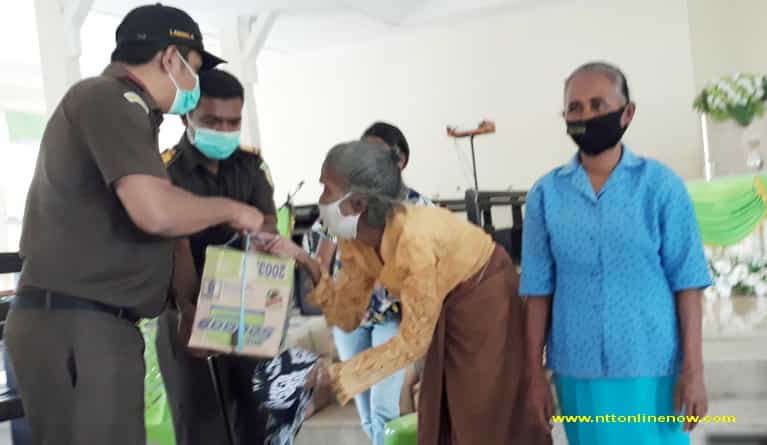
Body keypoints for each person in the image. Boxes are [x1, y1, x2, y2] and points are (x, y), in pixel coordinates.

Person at [4, 5, 266, 444]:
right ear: (170, 59)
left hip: (97, 322)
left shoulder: (134, 116)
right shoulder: (108, 99)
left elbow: (166, 232)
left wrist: (187, 308)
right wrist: (233, 211)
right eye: (194, 68)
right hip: (78, 321)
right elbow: (156, 212)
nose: (195, 85)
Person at [256, 140, 551, 445]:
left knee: (483, 410)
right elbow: (348, 314)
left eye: (326, 189)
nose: (320, 200)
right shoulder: (356, 238)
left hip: (484, 298)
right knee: (441, 410)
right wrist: (308, 263)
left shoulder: (413, 241)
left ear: (358, 203)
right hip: (441, 302)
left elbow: (412, 343)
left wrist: (329, 376)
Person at [521, 62, 711, 445]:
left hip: (651, 366)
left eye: (597, 105)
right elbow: (538, 291)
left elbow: (688, 282)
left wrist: (694, 370)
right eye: (575, 108)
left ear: (627, 113)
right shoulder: (546, 195)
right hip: (578, 371)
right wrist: (534, 376)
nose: (585, 116)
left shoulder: (660, 187)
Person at [156, 68, 277, 445]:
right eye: (212, 121)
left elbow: (268, 227)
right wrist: (190, 308)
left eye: (232, 122)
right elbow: (174, 244)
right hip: (184, 306)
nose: (224, 130)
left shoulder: (250, 166)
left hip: (246, 301)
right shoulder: (163, 172)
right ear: (186, 117)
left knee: (258, 415)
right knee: (201, 421)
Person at [306, 122, 432, 445]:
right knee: (364, 411)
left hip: (393, 319)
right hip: (351, 321)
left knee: (383, 408)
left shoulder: (418, 207)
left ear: (399, 161)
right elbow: (322, 258)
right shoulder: (341, 205)